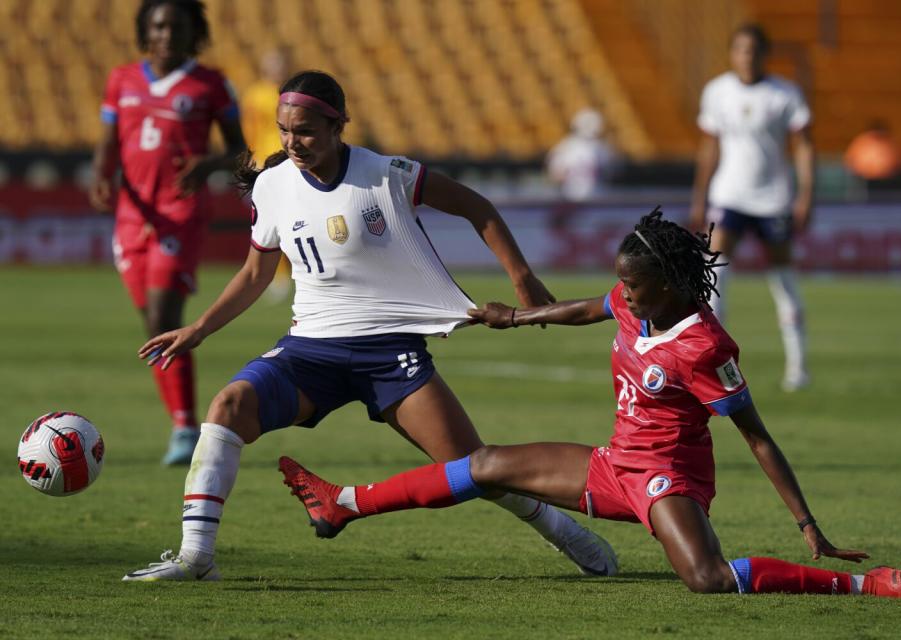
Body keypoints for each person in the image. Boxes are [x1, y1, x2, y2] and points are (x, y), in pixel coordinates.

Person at [275, 209, 901, 599]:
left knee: (705, 579)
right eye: (624, 282)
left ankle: (862, 585)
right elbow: (593, 307)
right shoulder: (633, 299)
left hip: (667, 479)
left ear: (673, 284)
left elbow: (756, 436)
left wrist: (807, 523)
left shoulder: (704, 344)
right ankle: (347, 503)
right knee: (484, 464)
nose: (625, 295)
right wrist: (521, 318)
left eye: (636, 286)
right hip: (613, 463)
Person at [121, 70, 619, 581]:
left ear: (340, 125)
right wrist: (199, 330)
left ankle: (564, 531)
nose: (294, 142)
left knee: (476, 469)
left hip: (389, 354)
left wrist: (522, 277)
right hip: (309, 352)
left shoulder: (387, 173)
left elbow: (476, 206)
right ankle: (196, 557)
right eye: (285, 130)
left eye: (307, 131)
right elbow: (254, 274)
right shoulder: (271, 187)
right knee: (227, 407)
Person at [89, 0, 247, 465]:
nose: (166, 35)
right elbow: (107, 143)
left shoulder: (210, 84)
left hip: (180, 212)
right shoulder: (122, 79)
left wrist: (209, 164)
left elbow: (239, 151)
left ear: (191, 32)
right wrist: (102, 175)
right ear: (145, 30)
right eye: (158, 26)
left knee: (163, 315)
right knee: (152, 323)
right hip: (132, 216)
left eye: (176, 27)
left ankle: (184, 429)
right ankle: (180, 423)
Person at [689, 24, 815, 392]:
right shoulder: (717, 91)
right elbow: (709, 147)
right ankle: (712, 361)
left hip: (773, 198)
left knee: (783, 278)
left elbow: (804, 146)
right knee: (714, 275)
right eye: (741, 50)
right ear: (732, 53)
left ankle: (798, 366)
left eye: (754, 50)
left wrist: (805, 194)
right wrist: (700, 197)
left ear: (764, 54)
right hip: (729, 195)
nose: (747, 57)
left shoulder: (784, 94)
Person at [241, 47, 293, 303]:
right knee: (269, 223)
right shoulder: (256, 95)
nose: (277, 69)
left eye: (280, 64)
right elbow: (249, 128)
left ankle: (288, 273)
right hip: (265, 162)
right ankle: (276, 274)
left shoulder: (292, 93)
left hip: (292, 160)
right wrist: (251, 158)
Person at [545, 108, 616, 202]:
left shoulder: (601, 148)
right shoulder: (566, 146)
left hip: (596, 197)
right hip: (572, 198)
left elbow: (611, 173)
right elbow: (556, 175)